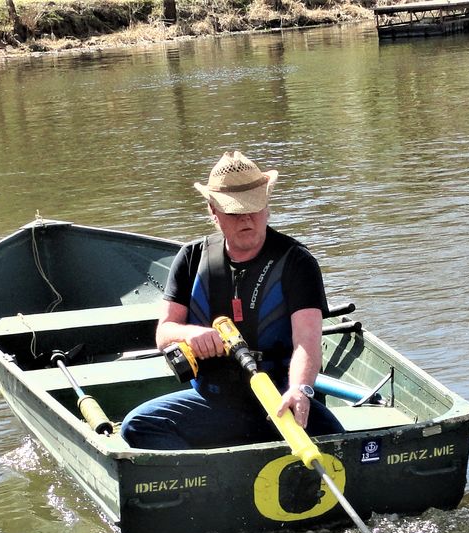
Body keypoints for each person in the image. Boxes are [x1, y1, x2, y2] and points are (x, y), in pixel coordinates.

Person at [121, 151, 344, 450]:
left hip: (281, 403)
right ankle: (209, 476)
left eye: (254, 207)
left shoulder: (297, 263)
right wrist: (192, 334)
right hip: (214, 402)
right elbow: (165, 332)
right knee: (137, 426)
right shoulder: (190, 258)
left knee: (343, 445)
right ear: (213, 211)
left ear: (267, 206)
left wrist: (300, 390)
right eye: (234, 211)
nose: (246, 218)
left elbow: (307, 341)